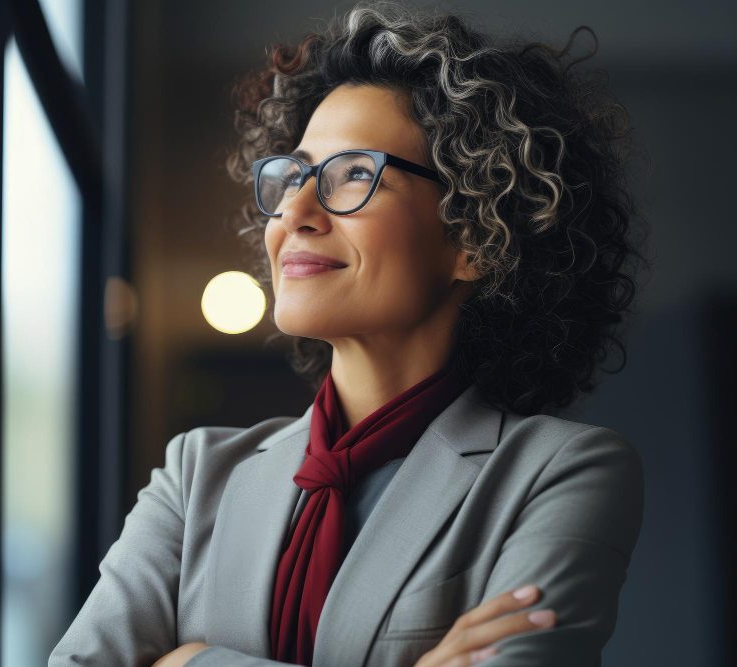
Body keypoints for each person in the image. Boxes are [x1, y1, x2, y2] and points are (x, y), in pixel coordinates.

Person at [49, 2, 647, 665]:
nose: (295, 212)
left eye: (355, 174)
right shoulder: (196, 476)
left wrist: (189, 660)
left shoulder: (560, 472)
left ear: (475, 234)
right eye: (294, 176)